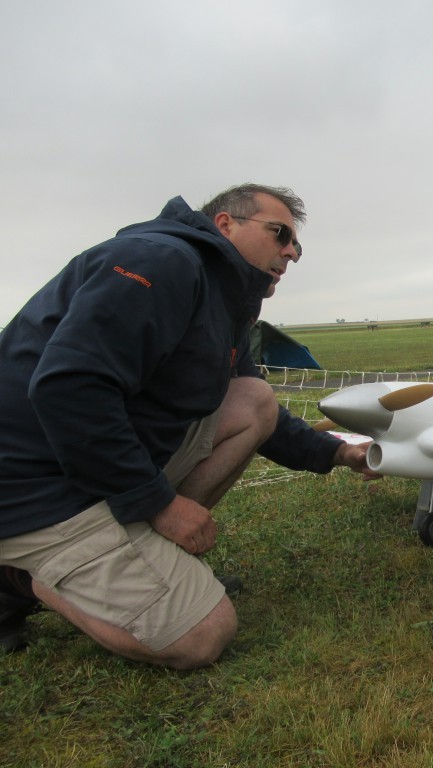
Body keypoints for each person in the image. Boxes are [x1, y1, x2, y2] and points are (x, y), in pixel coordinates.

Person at [0, 184, 376, 668]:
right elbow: (69, 387)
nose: (290, 252)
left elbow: (256, 412)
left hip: (82, 468)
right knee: (202, 635)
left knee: (253, 400)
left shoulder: (228, 296)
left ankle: (142, 558)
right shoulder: (161, 262)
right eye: (280, 233)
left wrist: (338, 452)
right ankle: (15, 577)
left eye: (297, 246)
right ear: (225, 224)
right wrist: (158, 504)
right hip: (32, 488)